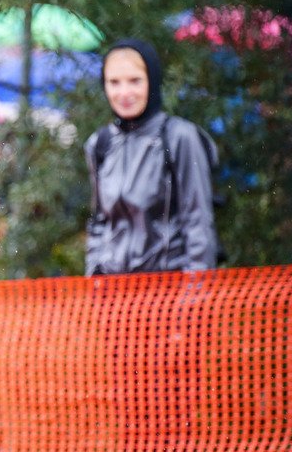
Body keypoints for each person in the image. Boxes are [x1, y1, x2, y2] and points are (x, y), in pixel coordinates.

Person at [85, 38, 219, 276]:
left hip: (168, 295)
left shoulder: (179, 137)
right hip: (114, 297)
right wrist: (94, 279)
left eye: (135, 81)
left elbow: (198, 223)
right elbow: (99, 224)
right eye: (114, 82)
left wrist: (195, 297)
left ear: (152, 81)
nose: (124, 92)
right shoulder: (100, 144)